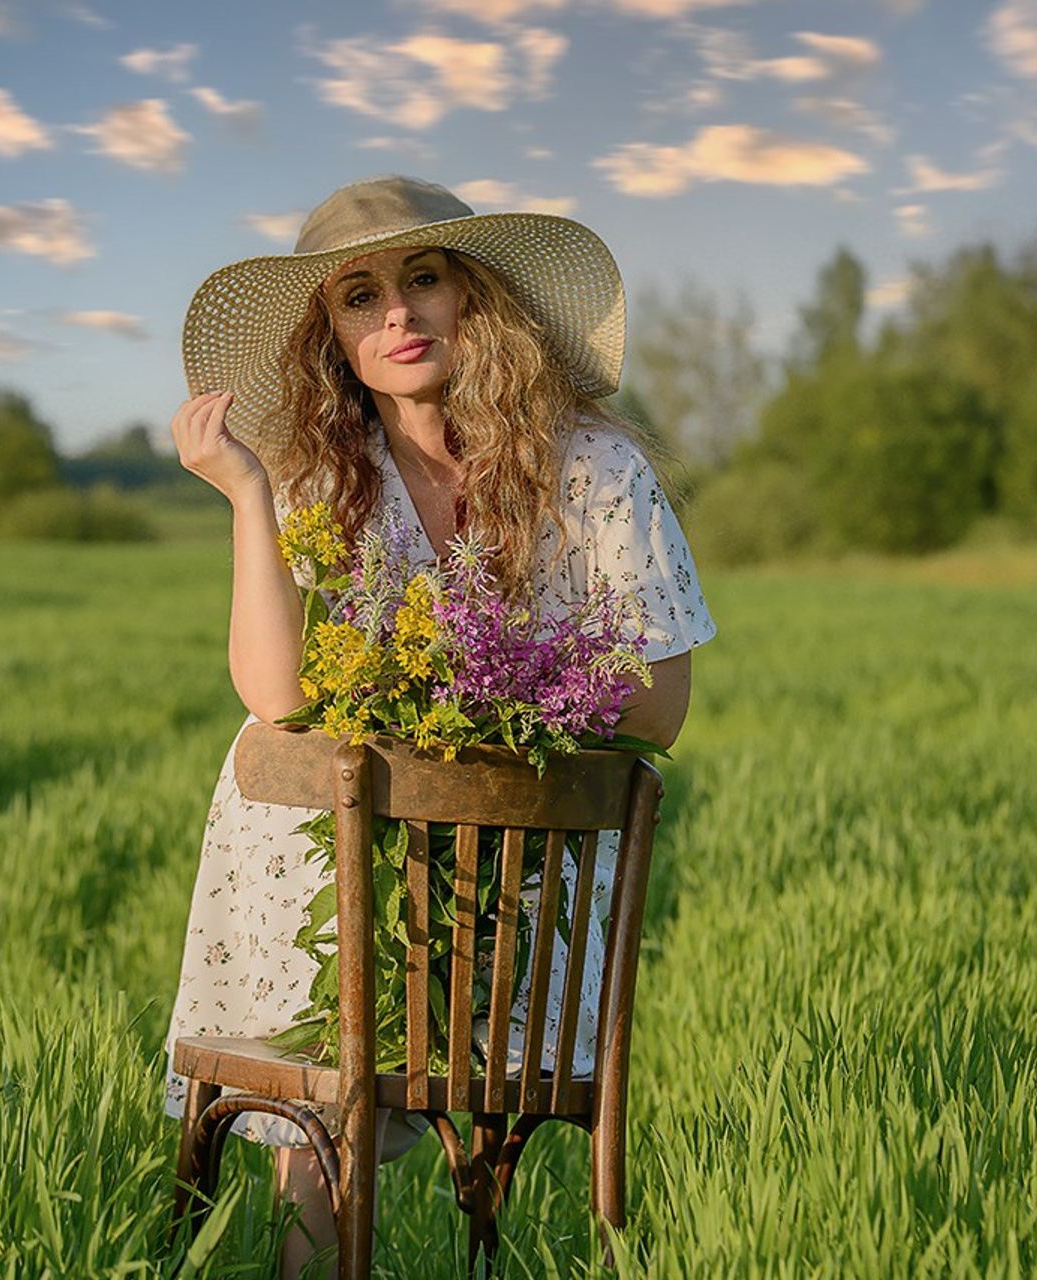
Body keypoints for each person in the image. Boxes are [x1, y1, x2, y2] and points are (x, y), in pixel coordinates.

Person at [165, 175, 715, 1278]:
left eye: (424, 279)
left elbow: (659, 701)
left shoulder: (593, 468)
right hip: (345, 868)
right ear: (334, 336)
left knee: (387, 1087)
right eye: (359, 296)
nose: (398, 316)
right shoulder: (330, 475)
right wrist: (243, 494)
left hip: (515, 867)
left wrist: (485, 692)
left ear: (478, 299)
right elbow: (276, 696)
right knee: (324, 1117)